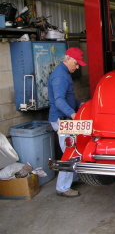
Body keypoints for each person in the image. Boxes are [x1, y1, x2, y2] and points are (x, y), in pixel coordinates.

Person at [48, 47, 86, 198]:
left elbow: (68, 98)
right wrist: (73, 113)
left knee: (74, 149)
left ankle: (73, 179)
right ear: (68, 59)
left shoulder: (64, 73)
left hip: (65, 118)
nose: (77, 68)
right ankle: (62, 188)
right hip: (62, 120)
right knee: (69, 153)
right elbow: (59, 101)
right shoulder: (60, 77)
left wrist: (80, 104)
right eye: (76, 64)